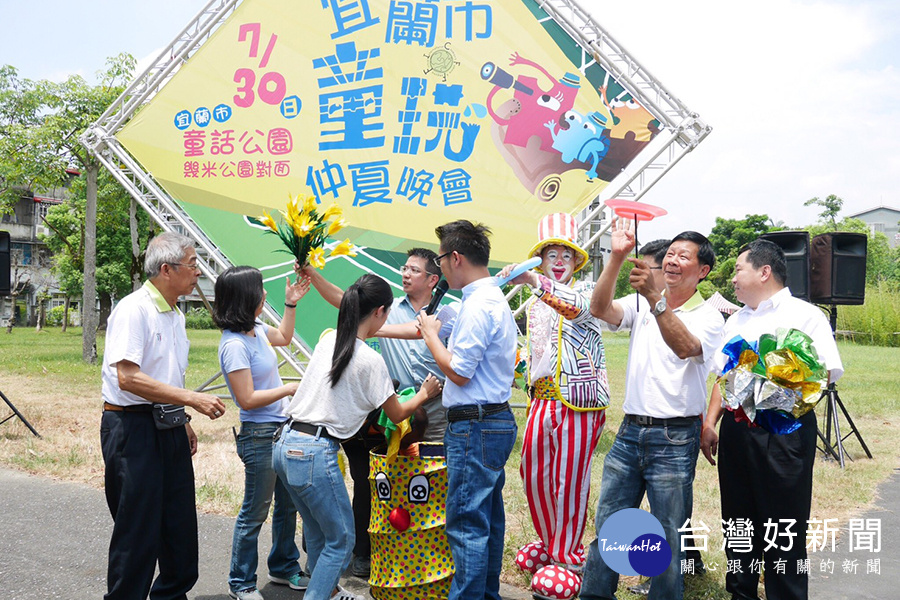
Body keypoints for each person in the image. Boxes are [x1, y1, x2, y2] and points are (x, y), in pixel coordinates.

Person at [273, 274, 442, 600]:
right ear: (380, 311)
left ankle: (331, 591)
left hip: (285, 444)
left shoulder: (329, 340)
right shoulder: (371, 359)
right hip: (313, 452)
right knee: (343, 540)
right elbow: (396, 414)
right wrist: (423, 394)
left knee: (321, 535)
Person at [582, 220, 724, 600]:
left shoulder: (709, 315)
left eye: (684, 257)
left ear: (703, 271)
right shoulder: (642, 304)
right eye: (671, 254)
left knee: (667, 534)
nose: (674, 261)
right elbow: (598, 308)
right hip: (630, 432)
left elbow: (685, 347)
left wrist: (656, 302)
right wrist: (616, 257)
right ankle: (595, 594)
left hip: (675, 437)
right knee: (609, 522)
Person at [700, 239, 843, 600]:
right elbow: (724, 377)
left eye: (737, 270)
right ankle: (741, 594)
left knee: (784, 526)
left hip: (784, 432)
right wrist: (710, 422)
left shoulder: (805, 315)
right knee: (738, 524)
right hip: (737, 429)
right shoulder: (737, 319)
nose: (732, 279)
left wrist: (770, 383)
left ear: (764, 272)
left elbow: (825, 373)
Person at [100, 232, 227, 600]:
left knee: (179, 528)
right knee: (138, 532)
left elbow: (166, 374)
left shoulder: (175, 315)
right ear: (167, 269)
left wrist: (182, 417)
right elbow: (128, 377)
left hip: (168, 424)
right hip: (132, 428)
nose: (198, 271)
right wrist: (191, 399)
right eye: (192, 264)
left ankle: (171, 594)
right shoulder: (133, 309)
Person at [498, 213, 610, 600]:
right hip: (541, 400)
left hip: (579, 404)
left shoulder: (587, 290)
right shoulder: (535, 304)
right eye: (550, 254)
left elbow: (580, 309)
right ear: (540, 258)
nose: (559, 259)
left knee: (569, 481)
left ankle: (568, 557)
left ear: (577, 260)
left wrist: (533, 280)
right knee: (533, 474)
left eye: (566, 253)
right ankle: (550, 543)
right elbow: (538, 350)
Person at [417, 220, 518, 600]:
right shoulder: (488, 300)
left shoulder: (478, 306)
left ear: (455, 258)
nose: (439, 269)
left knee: (465, 524)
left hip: (474, 426)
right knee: (486, 519)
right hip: (491, 421)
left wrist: (430, 337)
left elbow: (459, 372)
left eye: (440, 260)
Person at [213, 266, 311, 600]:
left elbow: (283, 337)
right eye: (260, 290)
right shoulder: (234, 345)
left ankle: (284, 567)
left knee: (288, 504)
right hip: (259, 434)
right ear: (245, 298)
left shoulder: (255, 328)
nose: (264, 294)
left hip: (282, 429)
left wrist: (291, 305)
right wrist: (289, 389)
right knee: (255, 510)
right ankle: (240, 582)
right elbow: (247, 399)